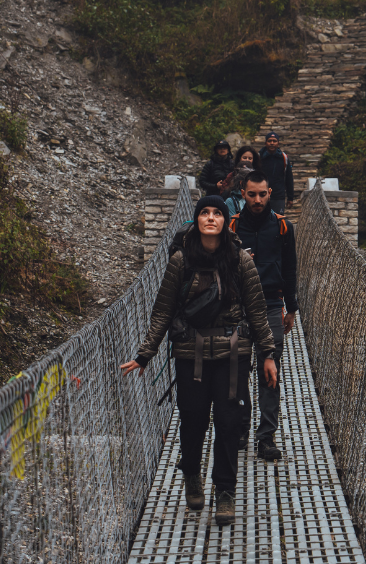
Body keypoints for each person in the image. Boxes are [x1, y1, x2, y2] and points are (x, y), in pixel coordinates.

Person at [121, 195, 277, 527]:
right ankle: (191, 471)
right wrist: (144, 354)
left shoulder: (239, 260)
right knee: (192, 420)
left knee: (228, 422)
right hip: (190, 353)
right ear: (196, 220)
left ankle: (225, 492)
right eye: (204, 213)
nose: (210, 218)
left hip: (232, 354)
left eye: (216, 213)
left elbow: (257, 310)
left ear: (224, 220)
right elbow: (162, 310)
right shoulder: (180, 260)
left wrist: (268, 355)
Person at [228, 171, 297, 461]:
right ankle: (242, 427)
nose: (257, 200)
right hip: (237, 307)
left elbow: (291, 268)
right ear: (242, 193)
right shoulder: (230, 226)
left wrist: (291, 308)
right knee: (238, 370)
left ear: (270, 193)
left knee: (270, 372)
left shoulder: (283, 227)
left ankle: (265, 437)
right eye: (252, 194)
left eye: (263, 194)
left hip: (271, 304)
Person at [256, 132, 294, 214]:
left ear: (278, 143)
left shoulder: (283, 158)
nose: (272, 143)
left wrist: (290, 198)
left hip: (278, 196)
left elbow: (288, 178)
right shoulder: (259, 157)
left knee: (278, 221)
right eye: (269, 141)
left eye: (274, 141)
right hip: (261, 195)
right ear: (265, 143)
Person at [224, 146, 259, 216]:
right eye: (244, 157)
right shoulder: (232, 201)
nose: (247, 160)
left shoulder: (259, 199)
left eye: (250, 158)